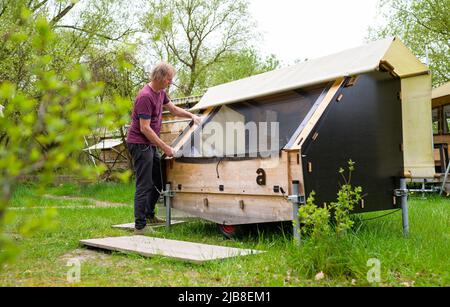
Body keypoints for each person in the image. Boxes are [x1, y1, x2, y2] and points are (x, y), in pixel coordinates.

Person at [126, 62, 201, 235]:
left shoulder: (161, 93)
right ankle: (140, 226)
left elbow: (173, 109)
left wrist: (191, 115)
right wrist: (166, 147)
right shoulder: (145, 96)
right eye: (169, 79)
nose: (170, 82)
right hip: (139, 143)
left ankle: (150, 215)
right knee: (144, 184)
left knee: (158, 180)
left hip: (150, 143)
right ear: (159, 77)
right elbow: (144, 128)